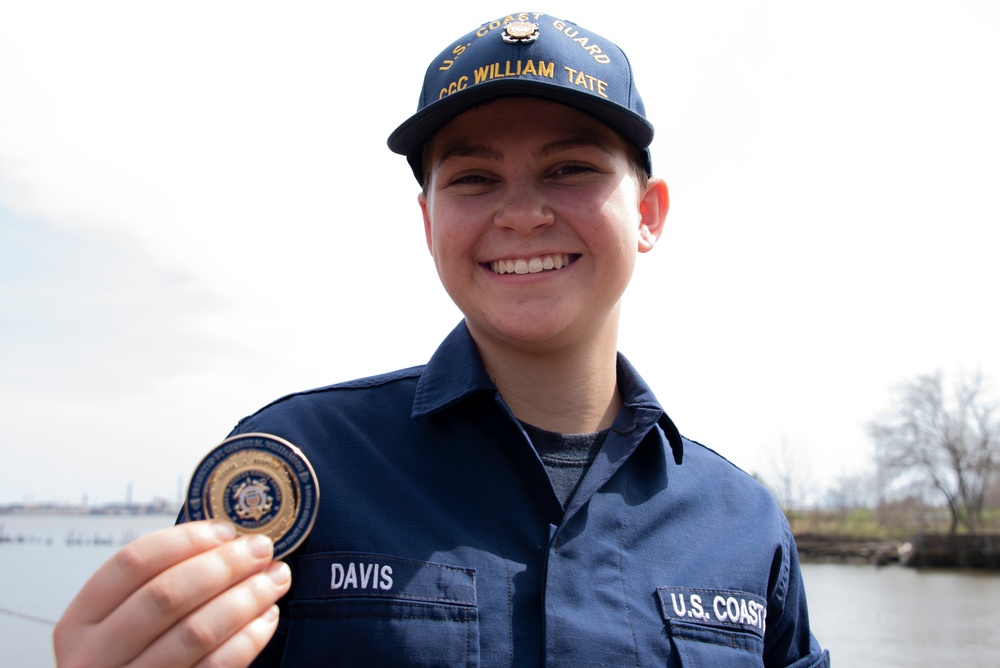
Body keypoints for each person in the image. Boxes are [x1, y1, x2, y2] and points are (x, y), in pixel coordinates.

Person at [54, 11, 830, 667]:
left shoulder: (746, 526)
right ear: (428, 223)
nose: (522, 213)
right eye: (473, 179)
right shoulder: (289, 467)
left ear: (650, 214)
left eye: (570, 169)